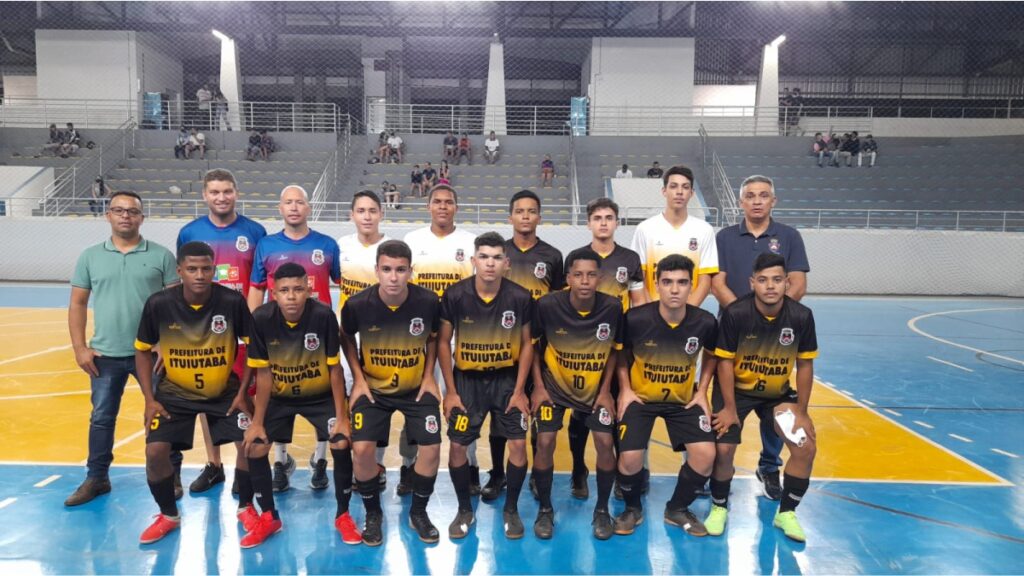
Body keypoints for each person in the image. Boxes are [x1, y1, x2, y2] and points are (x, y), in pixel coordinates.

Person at [134, 241, 255, 544]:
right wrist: (149, 399)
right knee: (155, 451)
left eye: (205, 268)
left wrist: (242, 391)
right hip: (174, 393)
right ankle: (168, 515)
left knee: (251, 445)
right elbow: (141, 351)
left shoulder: (231, 301)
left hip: (224, 392)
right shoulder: (159, 304)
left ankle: (245, 507)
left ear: (214, 270)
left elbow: (254, 349)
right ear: (180, 271)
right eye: (192, 269)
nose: (199, 275)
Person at [64, 191, 179, 507]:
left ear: (142, 217)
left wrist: (167, 344)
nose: (125, 215)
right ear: (108, 215)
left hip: (152, 355)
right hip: (105, 355)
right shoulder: (90, 256)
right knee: (101, 417)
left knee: (164, 415)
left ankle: (173, 474)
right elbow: (77, 303)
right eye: (118, 210)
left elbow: (177, 306)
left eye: (132, 211)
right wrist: (80, 348)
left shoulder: (161, 256)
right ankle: (97, 477)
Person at [240, 263, 356, 547]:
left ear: (309, 289)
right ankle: (269, 516)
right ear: (273, 292)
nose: (291, 296)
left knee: (341, 442)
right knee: (255, 445)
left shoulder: (323, 316)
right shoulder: (261, 318)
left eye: (297, 289)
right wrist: (257, 421)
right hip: (280, 397)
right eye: (284, 290)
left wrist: (342, 416)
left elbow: (335, 370)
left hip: (319, 396)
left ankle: (343, 515)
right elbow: (263, 373)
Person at [706, 252, 819, 543]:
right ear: (752, 282)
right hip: (736, 392)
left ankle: (787, 513)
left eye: (777, 280)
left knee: (804, 446)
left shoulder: (801, 316)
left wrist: (802, 412)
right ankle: (719, 506)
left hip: (776, 395)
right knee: (723, 449)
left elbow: (805, 365)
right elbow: (725, 363)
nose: (770, 286)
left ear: (786, 283)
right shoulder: (735, 314)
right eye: (764, 280)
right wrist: (729, 408)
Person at [712, 174, 809, 501]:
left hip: (774, 339)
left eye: (763, 195)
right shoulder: (724, 237)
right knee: (725, 406)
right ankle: (712, 470)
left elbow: (797, 283)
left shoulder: (789, 236)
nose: (756, 200)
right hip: (733, 332)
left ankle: (769, 466)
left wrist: (774, 316)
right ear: (741, 202)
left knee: (775, 406)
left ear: (773, 201)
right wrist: (747, 316)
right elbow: (717, 283)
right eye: (750, 195)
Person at [341, 239, 444, 546]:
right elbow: (346, 338)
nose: (394, 277)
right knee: (361, 451)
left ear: (411, 271)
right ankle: (373, 514)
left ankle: (419, 513)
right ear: (376, 271)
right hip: (373, 389)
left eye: (400, 270)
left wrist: (429, 377)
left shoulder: (428, 302)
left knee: (432, 449)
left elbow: (433, 339)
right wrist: (358, 378)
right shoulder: (357, 304)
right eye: (386, 269)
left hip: (415, 387)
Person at [613, 254, 718, 537]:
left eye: (682, 282)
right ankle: (632, 508)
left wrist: (703, 391)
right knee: (630, 457)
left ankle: (677, 508)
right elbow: (620, 353)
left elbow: (712, 354)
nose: (675, 289)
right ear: (656, 284)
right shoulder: (635, 319)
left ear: (691, 285)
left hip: (683, 401)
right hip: (641, 399)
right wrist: (624, 390)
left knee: (706, 454)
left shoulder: (705, 322)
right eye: (668, 282)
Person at [177, 169, 268, 494]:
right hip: (203, 332)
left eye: (227, 191)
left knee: (251, 397)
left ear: (236, 192)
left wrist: (253, 324)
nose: (221, 197)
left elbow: (261, 281)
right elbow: (184, 282)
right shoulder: (189, 233)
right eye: (214, 192)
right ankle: (214, 464)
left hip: (244, 330)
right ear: (205, 195)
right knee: (206, 397)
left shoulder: (255, 231)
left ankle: (249, 464)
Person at [440, 232, 535, 540]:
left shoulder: (520, 297)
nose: (490, 263)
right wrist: (450, 391)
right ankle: (464, 509)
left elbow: (527, 345)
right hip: (467, 382)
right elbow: (442, 342)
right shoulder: (455, 295)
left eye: (496, 257)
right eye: (484, 256)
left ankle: (511, 509)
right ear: (474, 261)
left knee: (518, 443)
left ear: (506, 263)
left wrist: (520, 390)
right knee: (457, 446)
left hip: (506, 380)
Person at [249, 185, 341, 491]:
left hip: (319, 332)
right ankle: (281, 460)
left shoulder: (327, 244)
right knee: (279, 394)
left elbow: (346, 281)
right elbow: (257, 288)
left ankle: (320, 460)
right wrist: (251, 328)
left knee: (322, 395)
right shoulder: (266, 244)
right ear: (280, 207)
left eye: (299, 202)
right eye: (288, 201)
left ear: (308, 207)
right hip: (279, 335)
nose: (294, 207)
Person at [530, 248, 623, 540]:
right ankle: (545, 510)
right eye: (578, 275)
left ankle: (602, 510)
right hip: (554, 388)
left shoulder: (612, 307)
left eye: (591, 275)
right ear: (568, 277)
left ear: (600, 277)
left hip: (595, 390)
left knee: (605, 442)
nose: (584, 281)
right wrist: (539, 388)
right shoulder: (546, 305)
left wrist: (606, 391)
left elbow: (614, 353)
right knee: (544, 441)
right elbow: (532, 347)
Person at [480, 191, 564, 505]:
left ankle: (534, 473)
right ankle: (498, 474)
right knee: (501, 416)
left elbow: (557, 300)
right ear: (510, 217)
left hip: (541, 347)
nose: (525, 216)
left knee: (538, 413)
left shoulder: (553, 255)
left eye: (531, 211)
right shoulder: (499, 254)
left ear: (539, 217)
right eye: (519, 211)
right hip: (504, 348)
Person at [402, 184, 476, 494]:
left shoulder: (470, 242)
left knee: (464, 406)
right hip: (422, 341)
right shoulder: (412, 241)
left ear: (456, 207)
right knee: (416, 405)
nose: (443, 206)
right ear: (428, 206)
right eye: (437, 202)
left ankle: (470, 466)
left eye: (448, 202)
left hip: (462, 338)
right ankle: (408, 466)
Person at [337, 190, 391, 491]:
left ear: (381, 213)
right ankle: (348, 459)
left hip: (382, 337)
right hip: (348, 334)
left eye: (372, 210)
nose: (367, 216)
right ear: (352, 215)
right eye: (361, 210)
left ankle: (377, 462)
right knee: (348, 397)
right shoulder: (341, 246)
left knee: (378, 398)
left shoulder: (393, 248)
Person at [630, 165, 719, 306]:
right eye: (673, 186)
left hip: (689, 314)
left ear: (692, 193)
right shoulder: (645, 229)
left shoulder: (704, 230)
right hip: (652, 313)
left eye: (685, 187)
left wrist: (687, 314)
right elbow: (638, 277)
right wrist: (652, 312)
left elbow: (705, 279)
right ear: (664, 191)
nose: (679, 192)